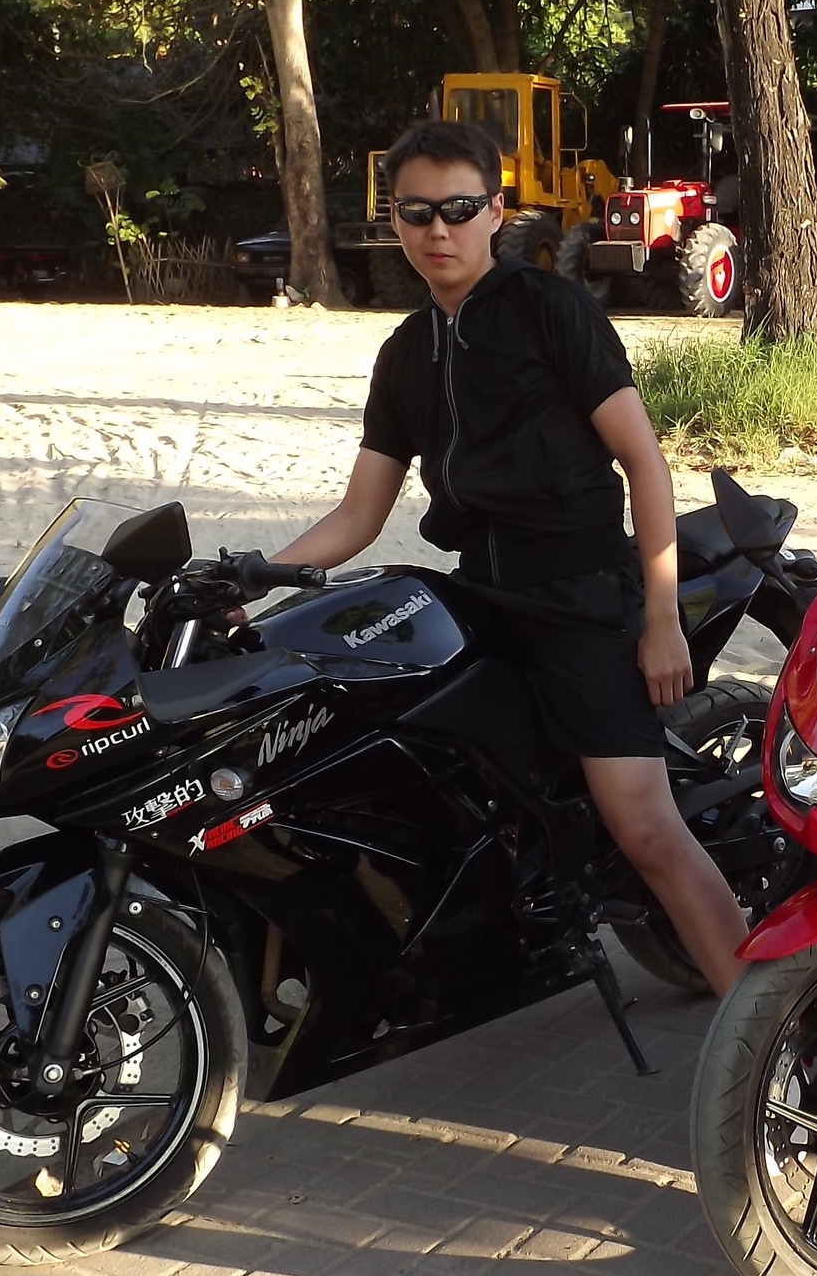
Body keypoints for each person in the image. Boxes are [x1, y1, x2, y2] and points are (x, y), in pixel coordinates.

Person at [269, 119, 749, 995]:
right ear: (394, 219)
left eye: (458, 208)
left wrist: (660, 619)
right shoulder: (405, 352)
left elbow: (643, 461)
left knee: (645, 828)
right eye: (417, 212)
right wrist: (260, 580)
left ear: (495, 211)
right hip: (480, 596)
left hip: (579, 594)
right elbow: (360, 513)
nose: (438, 230)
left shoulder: (549, 308)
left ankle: (772, 1039)